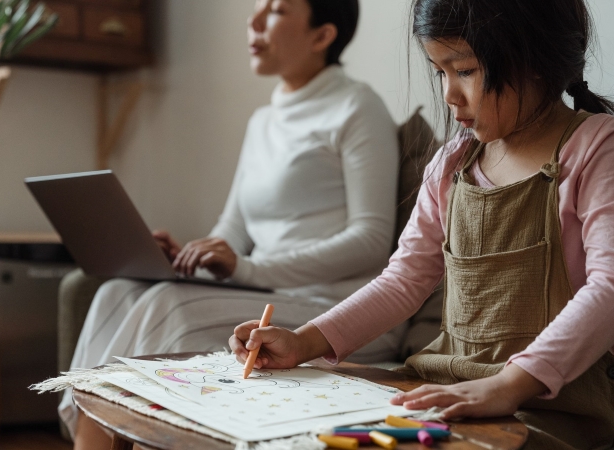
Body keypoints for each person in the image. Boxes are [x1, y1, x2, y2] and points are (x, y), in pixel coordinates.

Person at [230, 0, 614, 448]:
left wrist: (508, 385)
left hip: (556, 397)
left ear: (535, 59)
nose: (449, 94)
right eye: (440, 72)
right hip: (451, 377)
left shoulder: (596, 144)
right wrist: (303, 342)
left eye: (465, 70)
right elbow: (403, 280)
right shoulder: (451, 161)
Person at [63, 0, 407, 448]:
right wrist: (195, 256)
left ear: (323, 36)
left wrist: (246, 269)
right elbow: (234, 229)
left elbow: (372, 240)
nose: (255, 21)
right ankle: (93, 437)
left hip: (332, 308)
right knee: (116, 291)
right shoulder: (262, 121)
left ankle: (112, 439)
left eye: (278, 11)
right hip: (266, 294)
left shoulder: (358, 107)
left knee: (168, 305)